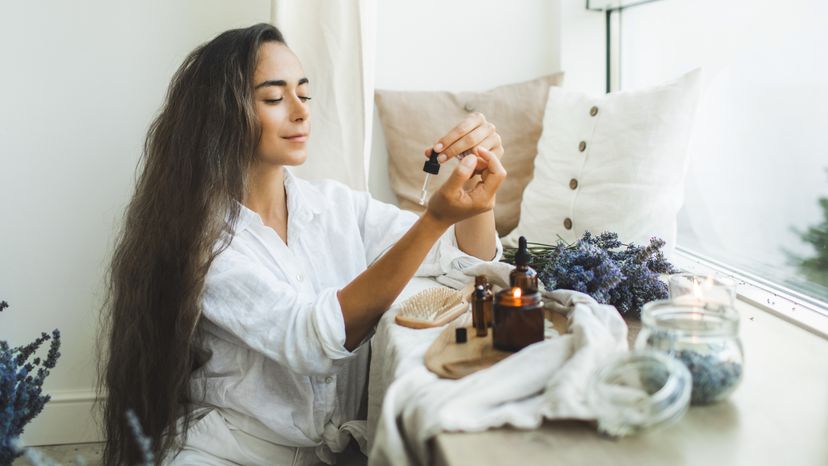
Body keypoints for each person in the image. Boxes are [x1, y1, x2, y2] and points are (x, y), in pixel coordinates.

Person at [99, 23, 506, 466]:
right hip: (231, 454)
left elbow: (459, 259)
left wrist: (479, 195)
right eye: (274, 98)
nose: (300, 111)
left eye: (304, 94)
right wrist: (435, 219)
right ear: (222, 114)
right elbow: (312, 341)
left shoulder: (335, 206)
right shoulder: (205, 242)